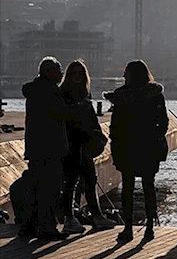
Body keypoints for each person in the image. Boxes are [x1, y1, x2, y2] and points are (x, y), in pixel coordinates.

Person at [104, 60, 169, 243]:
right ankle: (149, 227)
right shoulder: (155, 95)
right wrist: (155, 135)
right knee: (149, 187)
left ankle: (128, 227)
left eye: (126, 72)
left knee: (128, 188)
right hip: (148, 146)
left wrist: (115, 144)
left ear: (132, 74)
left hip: (127, 146)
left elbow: (115, 125)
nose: (124, 76)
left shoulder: (121, 96)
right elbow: (163, 121)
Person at [18, 57, 72, 240]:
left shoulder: (34, 90)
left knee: (34, 188)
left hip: (35, 147)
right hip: (50, 148)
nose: (61, 74)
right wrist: (80, 108)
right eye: (59, 70)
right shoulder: (49, 91)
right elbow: (61, 113)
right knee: (51, 190)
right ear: (50, 72)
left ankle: (28, 226)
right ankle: (47, 227)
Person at [59, 60, 116, 234]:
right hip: (71, 144)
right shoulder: (64, 96)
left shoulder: (84, 95)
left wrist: (95, 133)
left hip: (85, 143)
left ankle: (96, 215)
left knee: (91, 179)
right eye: (74, 73)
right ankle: (69, 217)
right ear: (68, 76)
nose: (77, 76)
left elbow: (91, 119)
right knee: (71, 181)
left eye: (80, 74)